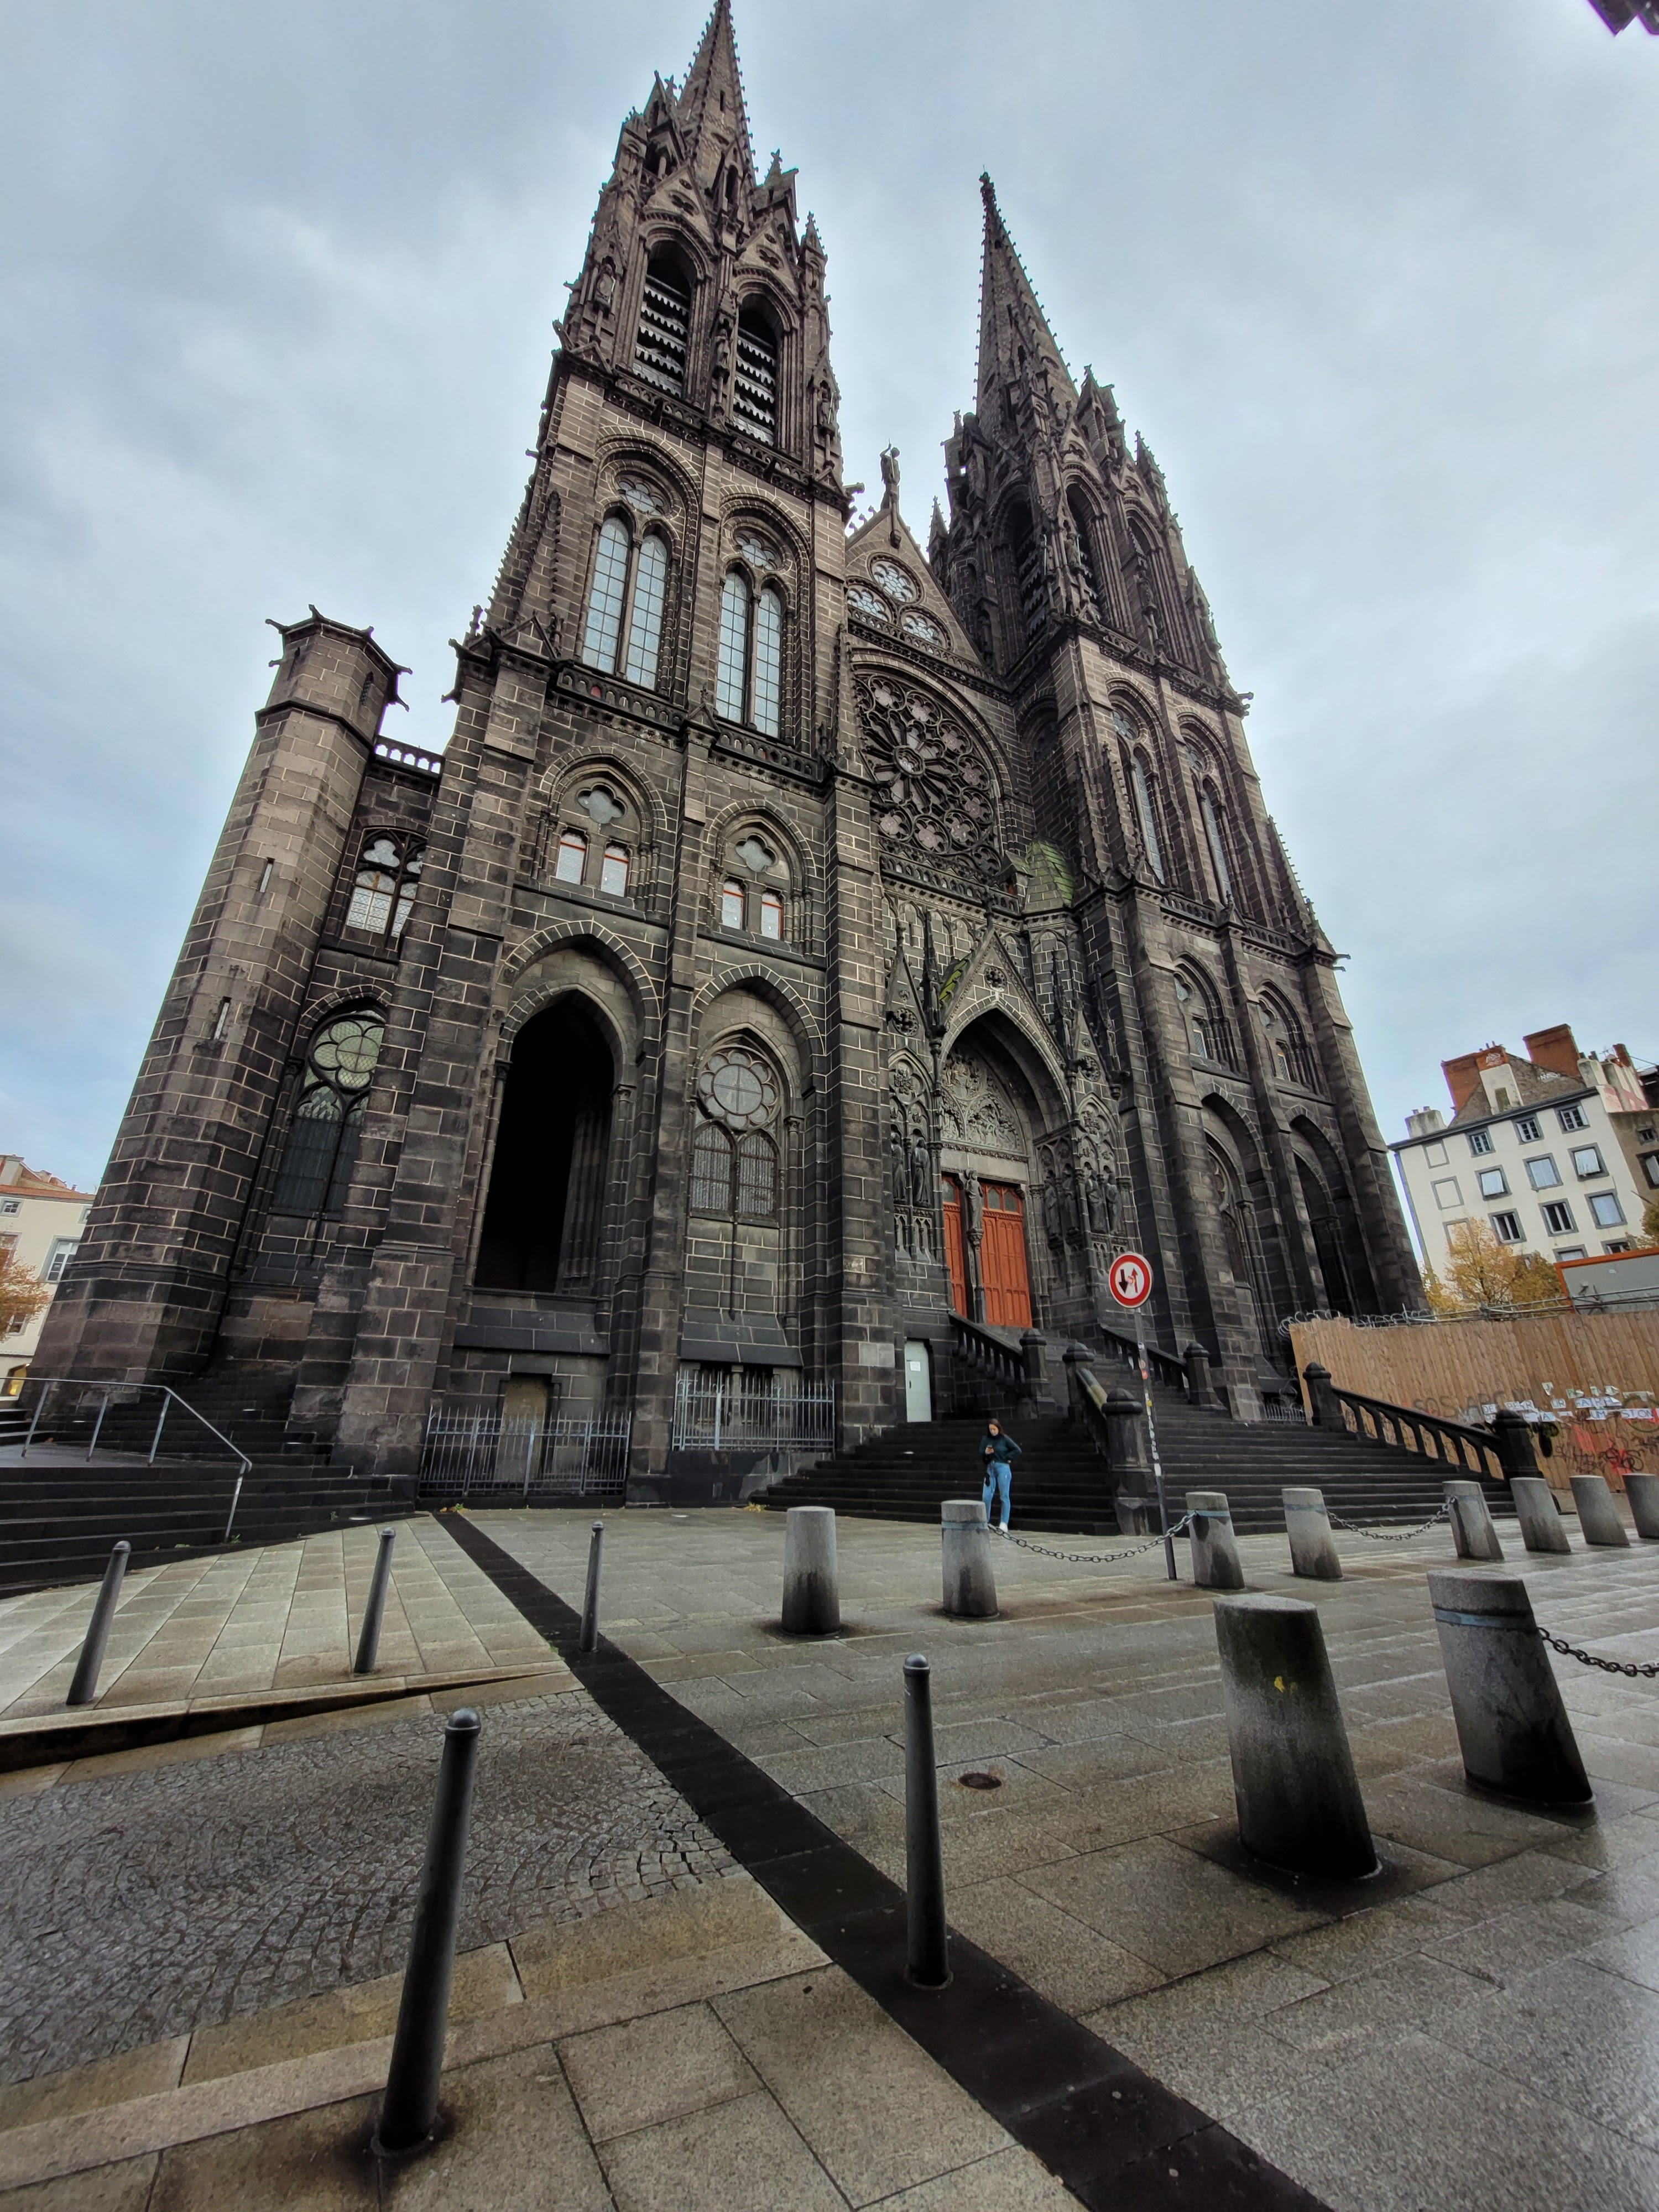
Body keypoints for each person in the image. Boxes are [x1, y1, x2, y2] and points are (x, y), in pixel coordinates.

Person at [980, 1420, 1021, 1535]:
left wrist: (1008, 1458)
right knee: (986, 1496)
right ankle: (985, 1521)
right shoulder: (986, 1439)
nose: (993, 1431)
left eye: (994, 1429)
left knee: (1004, 1495)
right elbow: (981, 1453)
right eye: (991, 1429)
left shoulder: (1004, 1439)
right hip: (990, 1468)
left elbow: (1017, 1450)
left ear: (998, 1428)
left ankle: (1004, 1522)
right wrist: (986, 1452)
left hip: (1003, 1468)